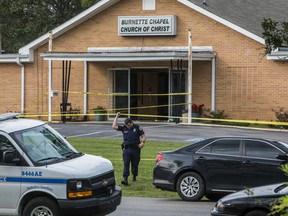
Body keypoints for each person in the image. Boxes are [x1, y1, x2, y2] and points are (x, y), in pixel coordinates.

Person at [112, 112, 146, 185]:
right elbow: (114, 126)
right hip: (127, 149)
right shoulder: (124, 127)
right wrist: (116, 117)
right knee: (126, 163)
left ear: (131, 123)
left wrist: (143, 142)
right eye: (126, 125)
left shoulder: (137, 127)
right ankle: (125, 179)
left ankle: (134, 176)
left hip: (135, 149)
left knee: (135, 164)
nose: (128, 127)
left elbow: (143, 135)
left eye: (129, 125)